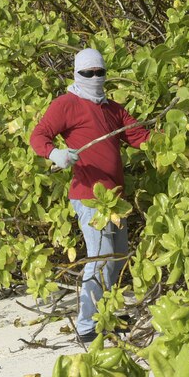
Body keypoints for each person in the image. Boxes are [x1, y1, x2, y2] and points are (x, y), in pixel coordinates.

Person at [30, 48, 150, 344]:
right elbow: (38, 136)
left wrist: (181, 136)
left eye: (99, 72)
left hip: (116, 200)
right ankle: (86, 325)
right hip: (88, 197)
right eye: (88, 73)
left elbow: (140, 138)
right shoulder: (66, 104)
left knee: (118, 259)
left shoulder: (112, 109)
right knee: (100, 259)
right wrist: (55, 153)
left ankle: (109, 315)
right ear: (76, 74)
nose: (95, 78)